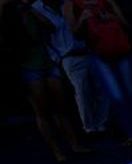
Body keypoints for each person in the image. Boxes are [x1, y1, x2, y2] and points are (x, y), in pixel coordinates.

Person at [1, 0, 89, 162]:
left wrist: (30, 9)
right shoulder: (8, 14)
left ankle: (74, 144)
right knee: (42, 110)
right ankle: (57, 151)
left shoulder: (31, 10)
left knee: (60, 106)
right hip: (28, 64)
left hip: (46, 60)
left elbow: (50, 26)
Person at [67, 0, 132, 145]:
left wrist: (112, 18)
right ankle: (131, 133)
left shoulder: (106, 1)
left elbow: (126, 24)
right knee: (117, 96)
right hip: (99, 54)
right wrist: (82, 19)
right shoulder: (73, 4)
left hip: (120, 50)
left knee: (130, 93)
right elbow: (75, 33)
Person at [31, 0, 108, 135]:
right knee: (82, 92)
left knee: (100, 89)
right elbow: (43, 36)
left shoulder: (67, 3)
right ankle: (89, 127)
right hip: (68, 55)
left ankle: (101, 124)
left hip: (86, 50)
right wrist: (56, 57)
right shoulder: (37, 9)